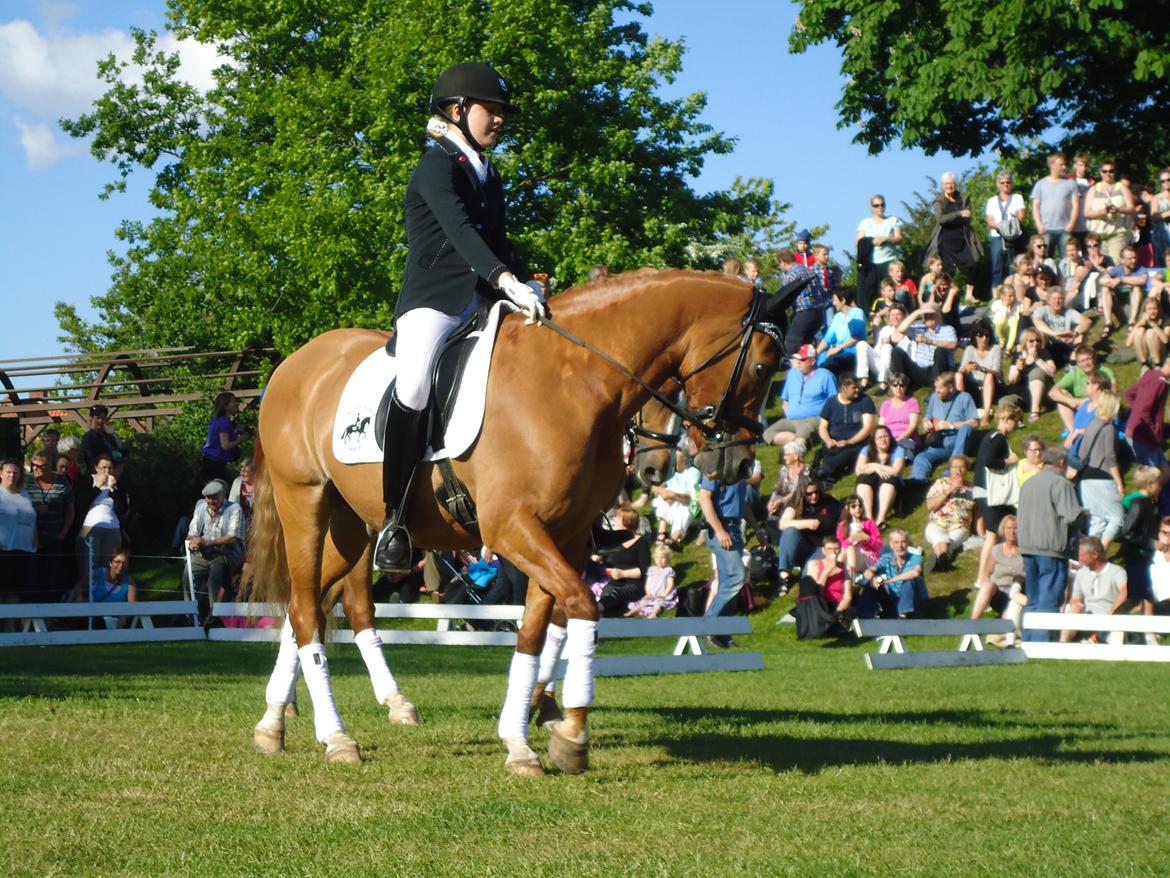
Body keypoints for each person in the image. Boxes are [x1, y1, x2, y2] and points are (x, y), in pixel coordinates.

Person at [372, 62, 547, 574]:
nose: (498, 120)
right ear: (456, 110)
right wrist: (504, 279)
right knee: (415, 386)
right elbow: (462, 232)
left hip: (484, 300)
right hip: (433, 302)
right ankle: (394, 519)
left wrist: (526, 279)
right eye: (490, 109)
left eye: (500, 112)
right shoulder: (436, 166)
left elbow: (497, 241)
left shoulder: (487, 174)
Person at [1019, 446, 1083, 642]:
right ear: (1062, 463)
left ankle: (1028, 640)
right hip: (1051, 549)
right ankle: (1041, 642)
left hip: (1028, 549)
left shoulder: (1028, 484)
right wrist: (1085, 514)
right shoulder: (1061, 484)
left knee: (1033, 598)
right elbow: (1071, 516)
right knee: (1049, 597)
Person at [698, 472, 752, 647]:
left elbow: (742, 504)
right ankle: (709, 624)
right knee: (737, 577)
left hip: (735, 528)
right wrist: (720, 531)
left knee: (727, 583)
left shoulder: (739, 470)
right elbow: (704, 498)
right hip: (721, 528)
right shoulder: (714, 469)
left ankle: (723, 635)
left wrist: (757, 529)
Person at [186, 479, 247, 625]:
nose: (211, 501)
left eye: (214, 497)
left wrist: (207, 542)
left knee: (215, 575)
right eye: (208, 497)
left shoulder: (234, 509)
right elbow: (192, 532)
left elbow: (233, 537)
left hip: (226, 553)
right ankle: (192, 616)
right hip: (202, 552)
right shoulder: (200, 508)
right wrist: (195, 541)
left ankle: (215, 617)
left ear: (223, 495)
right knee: (187, 576)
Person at [1069, 390, 1124, 550]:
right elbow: (1110, 457)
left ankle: (1086, 561)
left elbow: (1081, 453)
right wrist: (1119, 481)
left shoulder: (1091, 425)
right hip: (1103, 478)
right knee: (1117, 518)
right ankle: (1099, 556)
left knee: (1096, 522)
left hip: (1086, 478)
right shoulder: (1108, 429)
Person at [925, 171, 982, 303]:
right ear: (942, 185)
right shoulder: (939, 201)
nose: (949, 186)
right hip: (946, 240)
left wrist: (963, 215)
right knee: (947, 271)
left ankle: (969, 294)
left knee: (974, 263)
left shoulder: (963, 197)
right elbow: (940, 219)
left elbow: (968, 214)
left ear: (956, 184)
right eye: (946, 184)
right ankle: (945, 297)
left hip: (963, 238)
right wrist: (959, 214)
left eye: (951, 183)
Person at [763, 344, 837, 447]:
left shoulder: (826, 376)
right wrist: (788, 416)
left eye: (803, 360)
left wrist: (826, 424)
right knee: (767, 434)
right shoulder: (793, 373)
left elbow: (835, 403)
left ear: (813, 361)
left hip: (813, 419)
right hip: (792, 420)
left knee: (804, 428)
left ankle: (798, 448)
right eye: (798, 359)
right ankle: (802, 441)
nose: (799, 362)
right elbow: (786, 401)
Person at [909, 372, 977, 483]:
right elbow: (927, 416)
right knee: (921, 458)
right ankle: (917, 481)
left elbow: (975, 422)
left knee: (966, 428)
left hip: (959, 442)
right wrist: (926, 422)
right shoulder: (934, 398)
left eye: (940, 388)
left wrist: (951, 425)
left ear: (950, 388)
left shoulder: (965, 398)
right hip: (939, 442)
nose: (936, 390)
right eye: (935, 387)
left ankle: (952, 468)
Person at [25, 450, 74, 602]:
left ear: (50, 466)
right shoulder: (26, 482)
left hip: (55, 536)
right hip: (32, 538)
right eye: (33, 465)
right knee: (33, 576)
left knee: (53, 577)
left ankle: (52, 613)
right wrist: (35, 511)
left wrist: (62, 534)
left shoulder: (62, 481)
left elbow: (70, 511)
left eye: (40, 466)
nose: (36, 469)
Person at [775, 479, 841, 591]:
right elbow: (782, 524)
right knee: (790, 531)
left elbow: (843, 515)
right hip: (804, 547)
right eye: (809, 494)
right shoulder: (797, 504)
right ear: (802, 494)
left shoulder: (828, 501)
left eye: (816, 492)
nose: (814, 496)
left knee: (809, 578)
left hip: (823, 548)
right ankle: (784, 576)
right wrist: (806, 523)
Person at [970, 515, 1026, 645]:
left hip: (1016, 595)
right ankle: (972, 623)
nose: (1012, 531)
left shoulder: (1025, 552)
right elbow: (987, 573)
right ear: (1003, 530)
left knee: (1008, 621)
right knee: (988, 584)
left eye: (1015, 528)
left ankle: (1006, 634)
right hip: (998, 593)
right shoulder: (996, 550)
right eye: (1009, 528)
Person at [1119, 465, 1164, 625]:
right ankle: (1103, 630)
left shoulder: (1149, 503)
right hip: (1136, 556)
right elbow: (1128, 531)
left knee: (1145, 597)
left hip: (1144, 557)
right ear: (1150, 484)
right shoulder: (1138, 503)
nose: (1161, 486)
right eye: (1159, 483)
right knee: (1134, 598)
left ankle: (1149, 636)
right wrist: (1151, 543)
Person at [73, 452, 129, 582]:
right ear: (96, 467)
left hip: (112, 528)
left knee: (108, 569)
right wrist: (97, 487)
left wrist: (113, 489)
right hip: (90, 526)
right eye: (104, 467)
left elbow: (123, 509)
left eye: (110, 468)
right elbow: (81, 504)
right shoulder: (86, 480)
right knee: (89, 567)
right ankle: (85, 597)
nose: (107, 471)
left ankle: (104, 597)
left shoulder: (117, 484)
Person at [1061, 537, 1128, 642]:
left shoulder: (1117, 572)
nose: (1080, 558)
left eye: (1082, 555)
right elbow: (1076, 599)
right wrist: (1077, 605)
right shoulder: (1081, 573)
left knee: (1116, 636)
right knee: (1074, 608)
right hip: (1087, 617)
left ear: (1095, 555)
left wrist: (1111, 612)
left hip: (1109, 619)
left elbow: (1124, 593)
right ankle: (1062, 644)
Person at [972, 401, 1022, 534]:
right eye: (1016, 421)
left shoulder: (991, 435)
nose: (1017, 425)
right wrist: (1008, 461)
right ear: (1006, 419)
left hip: (985, 491)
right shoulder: (998, 437)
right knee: (993, 535)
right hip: (989, 492)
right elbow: (989, 462)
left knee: (999, 532)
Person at [815, 374, 876, 481]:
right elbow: (823, 427)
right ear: (843, 388)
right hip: (835, 442)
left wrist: (849, 442)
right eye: (854, 388)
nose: (858, 390)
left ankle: (824, 470)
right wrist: (829, 440)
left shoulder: (865, 400)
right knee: (832, 450)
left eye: (858, 387)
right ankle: (830, 473)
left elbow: (867, 428)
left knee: (849, 453)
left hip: (857, 443)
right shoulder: (831, 402)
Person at [594, 505, 651, 617]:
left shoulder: (640, 543)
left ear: (626, 521)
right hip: (615, 582)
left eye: (617, 517)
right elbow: (601, 557)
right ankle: (600, 614)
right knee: (607, 592)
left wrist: (623, 573)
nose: (614, 519)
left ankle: (596, 609)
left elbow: (645, 570)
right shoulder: (615, 540)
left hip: (635, 584)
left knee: (617, 593)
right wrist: (598, 556)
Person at [924, 456, 979, 570]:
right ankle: (944, 559)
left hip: (960, 527)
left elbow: (978, 514)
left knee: (946, 540)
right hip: (937, 523)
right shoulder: (941, 483)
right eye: (955, 467)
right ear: (950, 469)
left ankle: (939, 559)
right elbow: (930, 505)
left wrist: (981, 533)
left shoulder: (972, 490)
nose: (958, 470)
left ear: (966, 470)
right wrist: (950, 489)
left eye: (962, 467)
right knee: (941, 537)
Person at [889, 302, 958, 390]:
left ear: (938, 315)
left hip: (938, 370)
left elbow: (953, 345)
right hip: (920, 369)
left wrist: (930, 341)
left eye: (931, 314)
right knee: (896, 352)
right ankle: (900, 386)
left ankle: (936, 388)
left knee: (940, 350)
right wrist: (917, 312)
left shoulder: (948, 329)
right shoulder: (919, 328)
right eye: (925, 315)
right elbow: (901, 329)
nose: (928, 317)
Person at [862, 527, 927, 618]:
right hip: (894, 600)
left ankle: (904, 614)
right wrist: (873, 579)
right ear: (891, 545)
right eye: (896, 542)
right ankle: (865, 614)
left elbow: (915, 573)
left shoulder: (916, 558)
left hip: (915, 603)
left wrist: (888, 581)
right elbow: (869, 571)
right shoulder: (886, 558)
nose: (900, 546)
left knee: (908, 581)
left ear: (908, 543)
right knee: (871, 584)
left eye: (903, 542)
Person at [775, 248, 830, 354]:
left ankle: (793, 368)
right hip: (818, 314)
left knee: (792, 343)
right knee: (806, 346)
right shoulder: (809, 271)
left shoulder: (790, 275)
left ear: (782, 262)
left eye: (779, 264)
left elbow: (785, 299)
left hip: (804, 312)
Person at [856, 194, 903, 311]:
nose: (880, 208)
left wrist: (885, 239)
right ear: (871, 208)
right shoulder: (865, 223)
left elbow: (899, 238)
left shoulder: (892, 220)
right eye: (876, 205)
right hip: (871, 264)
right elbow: (858, 241)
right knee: (872, 292)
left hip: (888, 262)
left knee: (890, 290)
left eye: (882, 205)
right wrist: (872, 241)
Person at [0, 457, 37, 606]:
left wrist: (35, 540)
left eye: (15, 472)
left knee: (15, 591)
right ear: (1, 473)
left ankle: (11, 626)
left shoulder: (25, 494)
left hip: (24, 548)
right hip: (4, 549)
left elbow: (32, 519)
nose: (12, 475)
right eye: (8, 472)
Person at [1083, 159, 1135, 264]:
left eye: (1111, 171)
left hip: (1117, 233)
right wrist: (1100, 213)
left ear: (1115, 172)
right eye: (1105, 171)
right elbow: (1086, 213)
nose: (1108, 174)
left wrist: (1119, 210)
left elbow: (1132, 208)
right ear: (1100, 172)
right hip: (1098, 236)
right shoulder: (1093, 189)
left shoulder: (1122, 188)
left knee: (1115, 264)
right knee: (1099, 265)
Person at [854, 425, 906, 527]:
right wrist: (876, 467)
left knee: (889, 480)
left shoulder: (898, 450)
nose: (883, 440)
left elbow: (896, 471)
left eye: (886, 436)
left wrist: (873, 466)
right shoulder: (866, 450)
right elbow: (858, 470)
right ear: (874, 440)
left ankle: (881, 519)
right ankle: (869, 518)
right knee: (862, 480)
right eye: (880, 437)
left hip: (893, 488)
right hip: (872, 486)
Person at [1030, 153, 1080, 256]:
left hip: (1065, 229)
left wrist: (1071, 224)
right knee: (1045, 260)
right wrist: (1039, 224)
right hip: (1046, 229)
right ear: (1052, 165)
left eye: (1064, 164)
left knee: (1068, 260)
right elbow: (1035, 206)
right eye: (1061, 164)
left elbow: (1076, 205)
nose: (1064, 167)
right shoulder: (1040, 184)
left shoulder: (1071, 183)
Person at [1123, 355, 1170, 465]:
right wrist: (1154, 432)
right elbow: (1144, 411)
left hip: (1135, 430)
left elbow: (1129, 393)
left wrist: (1136, 411)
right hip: (1144, 436)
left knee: (1164, 469)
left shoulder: (1152, 373)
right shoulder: (1160, 383)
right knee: (1151, 476)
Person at [649, 450, 701, 548]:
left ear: (684, 461)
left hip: (692, 510)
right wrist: (664, 493)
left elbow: (691, 498)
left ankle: (675, 537)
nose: (672, 464)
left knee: (685, 508)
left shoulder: (693, 472)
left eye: (675, 462)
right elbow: (654, 487)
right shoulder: (670, 472)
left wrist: (674, 495)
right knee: (662, 499)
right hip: (673, 507)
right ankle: (662, 533)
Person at [816, 290, 871, 381]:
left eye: (835, 300)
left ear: (843, 301)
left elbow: (855, 337)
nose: (833, 303)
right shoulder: (837, 317)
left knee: (831, 362)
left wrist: (838, 348)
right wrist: (815, 353)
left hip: (852, 351)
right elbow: (827, 339)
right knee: (819, 360)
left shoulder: (857, 312)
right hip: (837, 351)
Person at [985, 170, 1027, 288]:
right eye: (1002, 183)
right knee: (997, 266)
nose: (1005, 185)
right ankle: (997, 293)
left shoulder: (1017, 197)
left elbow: (1021, 215)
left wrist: (1010, 228)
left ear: (1011, 184)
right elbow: (989, 220)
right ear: (998, 184)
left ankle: (1014, 291)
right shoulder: (992, 201)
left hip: (1013, 236)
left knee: (1013, 266)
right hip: (997, 236)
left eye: (1008, 182)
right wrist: (1002, 227)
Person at [1031, 288, 1091, 370]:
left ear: (1064, 301)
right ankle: (1044, 359)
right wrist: (1055, 334)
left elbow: (1087, 322)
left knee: (1083, 332)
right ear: (1048, 301)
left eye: (1060, 298)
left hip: (1066, 343)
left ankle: (1074, 360)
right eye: (1054, 299)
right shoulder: (1042, 311)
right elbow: (1037, 322)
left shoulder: (1069, 312)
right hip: (1048, 345)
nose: (1057, 301)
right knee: (1040, 332)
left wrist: (1075, 333)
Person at [1004, 328, 1056, 422]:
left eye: (1038, 341)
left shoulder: (1043, 353)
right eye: (1031, 341)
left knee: (1036, 372)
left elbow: (1052, 372)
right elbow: (1011, 379)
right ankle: (1016, 419)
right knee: (1004, 401)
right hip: (1024, 394)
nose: (1035, 343)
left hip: (1044, 391)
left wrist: (1037, 359)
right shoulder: (1018, 356)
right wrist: (1018, 370)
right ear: (1025, 342)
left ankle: (1035, 411)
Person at [956, 325, 1003, 425]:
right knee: (958, 376)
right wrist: (966, 368)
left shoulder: (995, 349)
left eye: (987, 335)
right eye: (980, 335)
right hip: (974, 385)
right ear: (975, 337)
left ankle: (986, 414)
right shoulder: (970, 349)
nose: (984, 338)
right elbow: (961, 369)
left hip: (992, 385)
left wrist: (980, 368)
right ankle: (962, 410)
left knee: (989, 375)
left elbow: (997, 372)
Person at [201, 391, 247, 484]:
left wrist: (236, 432)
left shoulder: (217, 420)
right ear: (225, 406)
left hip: (209, 460)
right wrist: (241, 440)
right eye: (233, 402)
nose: (236, 404)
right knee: (219, 488)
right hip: (215, 463)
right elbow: (225, 446)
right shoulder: (224, 423)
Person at [625, 542, 677, 619]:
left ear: (668, 559)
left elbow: (670, 585)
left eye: (662, 558)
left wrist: (665, 594)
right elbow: (648, 583)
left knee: (658, 604)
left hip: (663, 593)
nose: (660, 560)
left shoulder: (668, 570)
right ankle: (634, 611)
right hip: (652, 593)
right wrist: (648, 593)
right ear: (654, 558)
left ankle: (654, 614)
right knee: (643, 602)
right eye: (657, 557)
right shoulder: (651, 569)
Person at [765, 439, 810, 526]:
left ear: (796, 456)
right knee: (772, 512)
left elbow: (798, 491)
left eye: (787, 455)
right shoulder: (784, 470)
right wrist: (772, 500)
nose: (784, 457)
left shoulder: (806, 470)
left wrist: (780, 502)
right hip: (781, 501)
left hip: (797, 502)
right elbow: (778, 488)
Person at [92, 547, 138, 630]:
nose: (121, 566)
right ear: (110, 563)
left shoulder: (129, 581)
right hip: (95, 618)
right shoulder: (96, 574)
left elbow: (133, 606)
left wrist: (124, 617)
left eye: (125, 563)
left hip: (116, 621)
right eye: (117, 562)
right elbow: (78, 590)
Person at [837, 494, 882, 580]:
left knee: (850, 549)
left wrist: (866, 537)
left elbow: (879, 546)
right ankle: (838, 576)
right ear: (847, 508)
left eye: (860, 506)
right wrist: (851, 539)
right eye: (853, 506)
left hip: (868, 558)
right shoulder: (843, 526)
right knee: (848, 549)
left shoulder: (869, 523)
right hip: (848, 558)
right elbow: (841, 547)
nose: (857, 508)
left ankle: (850, 581)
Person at [878, 371, 920, 457]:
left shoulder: (912, 402)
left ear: (905, 387)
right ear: (890, 387)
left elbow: (912, 426)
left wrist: (898, 440)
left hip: (907, 439)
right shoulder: (886, 404)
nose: (898, 388)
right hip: (888, 440)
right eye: (895, 385)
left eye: (901, 385)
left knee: (901, 450)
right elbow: (880, 426)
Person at [1128, 296, 1170, 371]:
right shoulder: (1142, 320)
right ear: (1145, 311)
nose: (1152, 312)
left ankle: (1158, 364)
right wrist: (1137, 325)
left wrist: (1152, 324)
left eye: (1155, 308)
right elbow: (1128, 344)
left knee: (1150, 332)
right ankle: (1145, 364)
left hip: (1161, 349)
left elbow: (1166, 340)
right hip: (1146, 350)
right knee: (1139, 331)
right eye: (1149, 309)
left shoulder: (1165, 318)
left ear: (1159, 309)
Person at [80, 404, 127, 470]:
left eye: (103, 418)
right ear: (91, 418)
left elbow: (122, 451)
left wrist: (114, 434)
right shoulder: (88, 437)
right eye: (98, 418)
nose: (101, 421)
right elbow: (89, 458)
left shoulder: (109, 436)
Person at [228, 457, 255, 528]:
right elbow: (231, 504)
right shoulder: (237, 482)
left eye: (245, 471)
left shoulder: (261, 485)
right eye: (241, 471)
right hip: (238, 523)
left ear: (254, 472)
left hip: (257, 525)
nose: (242, 474)